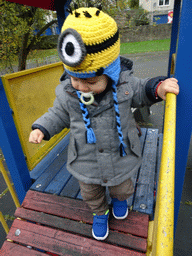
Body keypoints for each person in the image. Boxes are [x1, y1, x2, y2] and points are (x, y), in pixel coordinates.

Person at [29, 6, 179, 240]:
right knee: (91, 193)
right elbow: (57, 113)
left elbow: (142, 90)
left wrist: (158, 88)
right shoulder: (68, 93)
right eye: (74, 78)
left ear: (110, 73)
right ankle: (101, 212)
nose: (80, 86)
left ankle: (119, 200)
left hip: (119, 156)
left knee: (122, 187)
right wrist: (41, 127)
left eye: (89, 81)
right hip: (85, 159)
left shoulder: (124, 85)